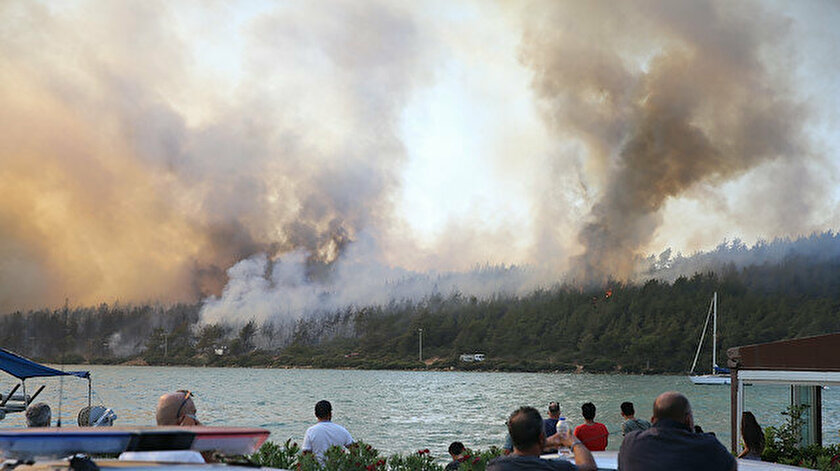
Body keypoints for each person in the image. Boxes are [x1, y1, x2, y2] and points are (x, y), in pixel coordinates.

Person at [618, 391, 737, 471]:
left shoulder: (631, 443)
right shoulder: (708, 446)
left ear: (653, 420)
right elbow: (731, 466)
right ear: (688, 419)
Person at [487, 406, 596, 471]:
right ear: (541, 437)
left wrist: (543, 443)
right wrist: (573, 441)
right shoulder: (552, 467)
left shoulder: (494, 466)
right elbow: (589, 466)